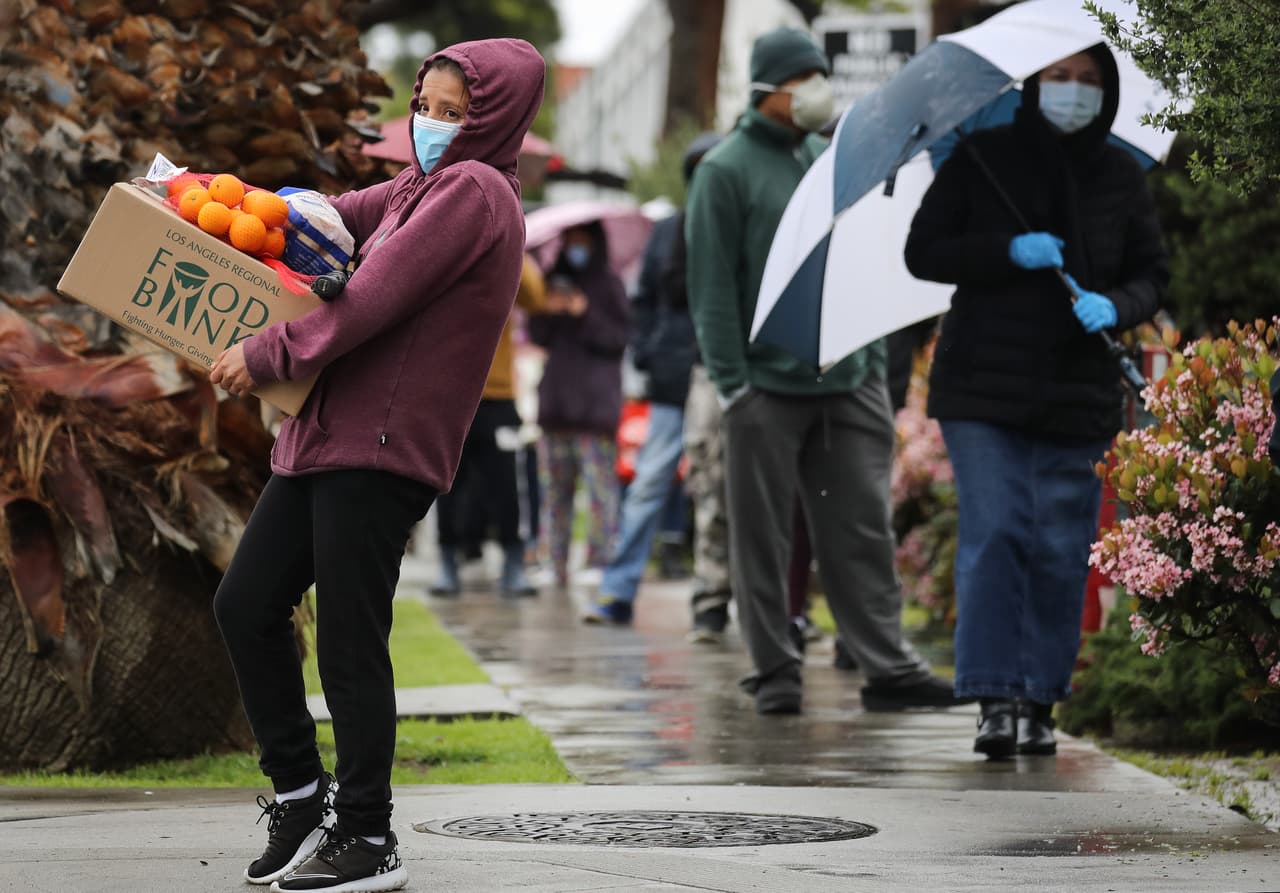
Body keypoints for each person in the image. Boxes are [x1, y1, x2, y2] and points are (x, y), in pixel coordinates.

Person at [208, 39, 544, 891]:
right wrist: (205, 201)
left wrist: (269, 351)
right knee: (246, 602)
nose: (432, 122)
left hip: (383, 444)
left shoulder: (474, 193)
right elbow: (327, 211)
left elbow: (372, 295)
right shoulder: (418, 187)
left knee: (352, 639)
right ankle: (298, 792)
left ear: (493, 116)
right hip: (326, 434)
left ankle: (367, 834)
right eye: (423, 106)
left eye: (453, 110)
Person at [685, 26, 965, 715]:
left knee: (862, 530)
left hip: (848, 381)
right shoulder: (725, 171)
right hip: (763, 389)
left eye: (820, 74)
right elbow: (712, 289)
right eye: (802, 78)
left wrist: (869, 360)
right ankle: (775, 667)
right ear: (768, 89)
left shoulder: (827, 157)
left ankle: (887, 667)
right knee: (764, 537)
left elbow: (861, 261)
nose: (816, 90)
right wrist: (733, 385)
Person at [904, 44, 1168, 759]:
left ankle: (1039, 698)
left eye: (1087, 81)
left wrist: (1113, 305)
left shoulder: (1118, 174)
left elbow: (1152, 273)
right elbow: (923, 251)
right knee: (997, 534)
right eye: (1060, 78)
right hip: (982, 388)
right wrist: (1006, 248)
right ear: (1033, 84)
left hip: (1077, 390)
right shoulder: (981, 156)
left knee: (1058, 546)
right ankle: (994, 695)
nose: (1073, 91)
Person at [582, 133, 720, 625]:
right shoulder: (669, 232)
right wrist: (645, 351)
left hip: (721, 376)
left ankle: (719, 600)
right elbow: (644, 301)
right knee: (648, 486)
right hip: (670, 379)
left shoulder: (733, 228)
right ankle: (619, 591)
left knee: (718, 490)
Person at [431, 254, 546, 598]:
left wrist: (511, 241)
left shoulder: (507, 264)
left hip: (498, 396)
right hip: (451, 395)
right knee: (446, 485)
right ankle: (448, 560)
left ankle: (514, 561)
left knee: (508, 484)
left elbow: (535, 297)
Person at [529, 222, 630, 588]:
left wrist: (584, 312)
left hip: (594, 410)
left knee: (600, 492)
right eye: (570, 241)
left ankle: (600, 559)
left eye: (582, 242)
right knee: (554, 493)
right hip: (555, 407)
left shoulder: (609, 285)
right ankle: (552, 563)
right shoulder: (553, 279)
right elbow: (538, 334)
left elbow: (619, 339)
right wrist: (547, 309)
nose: (575, 248)